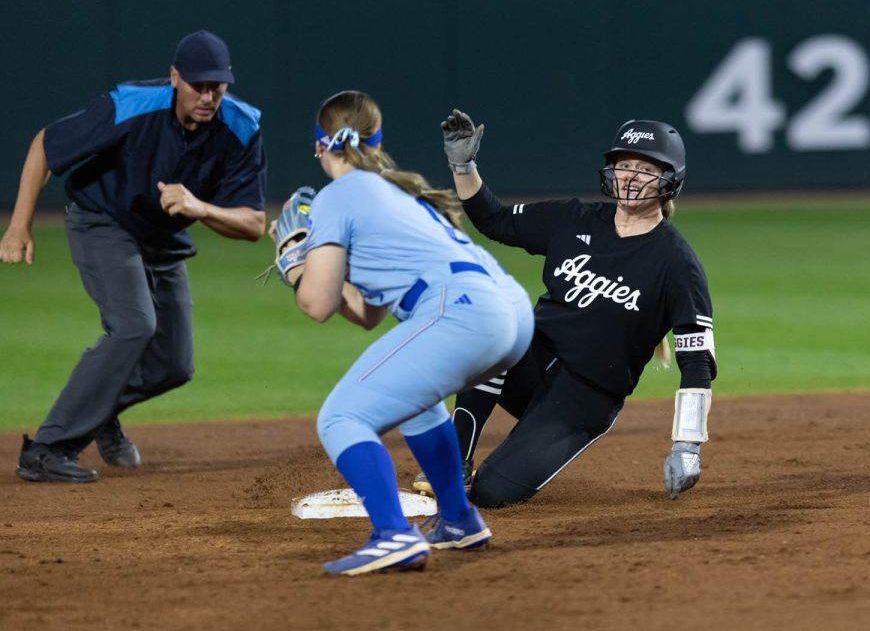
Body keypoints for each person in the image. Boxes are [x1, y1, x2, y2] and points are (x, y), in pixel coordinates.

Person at [281, 90, 530, 576]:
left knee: (342, 417)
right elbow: (367, 312)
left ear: (318, 146)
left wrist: (294, 260)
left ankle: (392, 535)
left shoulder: (338, 195)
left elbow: (316, 304)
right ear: (376, 142)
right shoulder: (398, 191)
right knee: (417, 400)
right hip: (510, 313)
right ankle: (457, 519)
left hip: (460, 313)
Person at [2, 31, 267, 484]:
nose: (207, 96)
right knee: (134, 325)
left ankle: (99, 412)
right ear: (174, 77)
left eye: (216, 87)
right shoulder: (132, 104)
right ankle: (48, 448)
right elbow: (46, 144)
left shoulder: (241, 126)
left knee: (174, 365)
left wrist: (201, 208)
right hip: (103, 220)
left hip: (163, 239)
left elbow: (254, 224)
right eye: (197, 84)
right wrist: (18, 225)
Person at [425, 109, 717, 508]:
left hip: (584, 399)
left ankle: (506, 462)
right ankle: (452, 462)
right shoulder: (573, 218)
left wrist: (687, 446)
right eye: (623, 165)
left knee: (492, 493)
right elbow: (493, 220)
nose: (631, 177)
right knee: (494, 320)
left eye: (646, 169)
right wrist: (463, 164)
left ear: (670, 181)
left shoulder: (676, 264)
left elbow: (697, 360)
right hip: (528, 366)